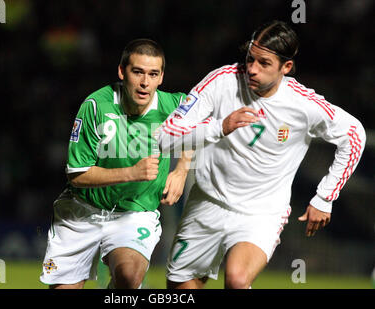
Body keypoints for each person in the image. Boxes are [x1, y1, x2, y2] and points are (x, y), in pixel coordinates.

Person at [157, 20, 366, 289]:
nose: (252, 70)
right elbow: (165, 136)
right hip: (207, 202)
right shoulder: (222, 81)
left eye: (264, 63)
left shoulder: (303, 104)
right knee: (180, 288)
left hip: (261, 213)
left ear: (286, 67)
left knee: (237, 279)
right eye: (250, 59)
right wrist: (218, 127)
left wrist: (325, 197)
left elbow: (355, 135)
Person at [40, 39, 190, 289]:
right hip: (82, 211)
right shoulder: (96, 106)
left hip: (134, 214)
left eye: (153, 74)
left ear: (161, 77)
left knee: (129, 278)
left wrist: (182, 170)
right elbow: (77, 175)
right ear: (122, 71)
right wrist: (132, 173)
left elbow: (196, 127)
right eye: (138, 72)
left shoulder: (174, 106)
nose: (145, 83)